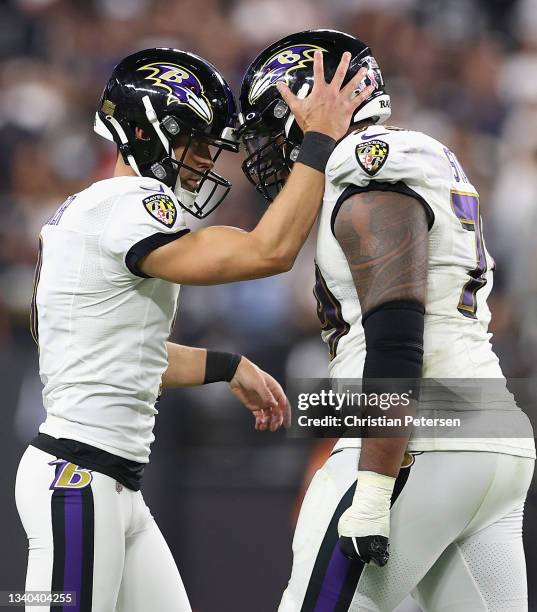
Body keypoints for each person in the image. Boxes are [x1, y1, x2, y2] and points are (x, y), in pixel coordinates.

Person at [16, 46, 373, 612]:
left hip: (106, 480)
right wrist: (319, 143)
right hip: (78, 479)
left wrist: (226, 366)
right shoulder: (126, 204)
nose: (206, 160)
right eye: (196, 141)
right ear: (145, 129)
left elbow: (124, 356)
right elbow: (268, 251)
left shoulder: (93, 213)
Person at [239, 29, 536, 611]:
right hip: (489, 433)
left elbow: (399, 338)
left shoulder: (365, 164)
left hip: (419, 442)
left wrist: (374, 487)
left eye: (275, 125)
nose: (273, 147)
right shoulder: (423, 154)